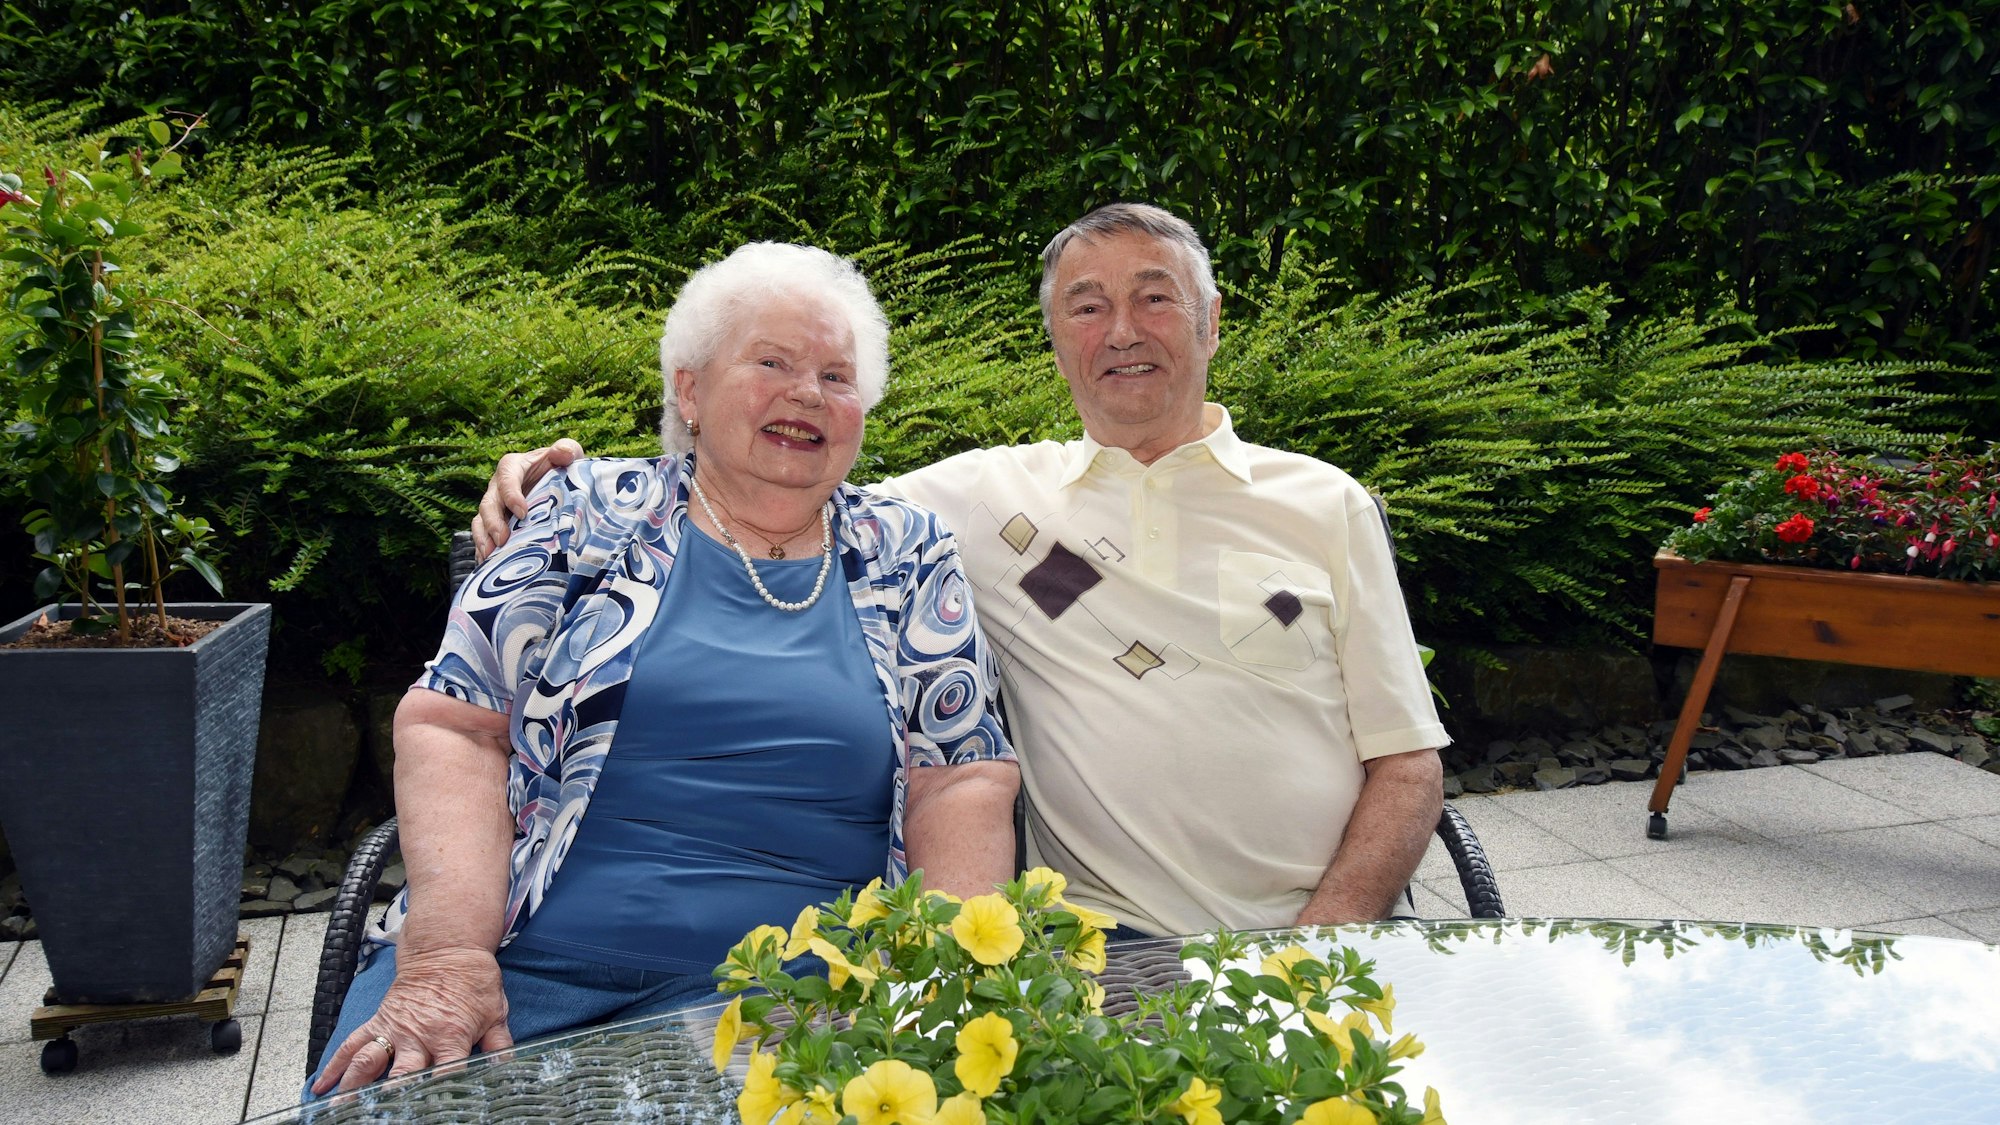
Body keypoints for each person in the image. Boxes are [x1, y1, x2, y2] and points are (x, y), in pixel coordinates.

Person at [476, 204, 1445, 941]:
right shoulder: (990, 500)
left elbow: (1407, 764)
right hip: (1108, 945)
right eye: (1087, 306)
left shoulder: (1324, 504)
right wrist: (562, 476)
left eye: (1155, 296)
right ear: (1055, 339)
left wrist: (1322, 942)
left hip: (1331, 934)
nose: (1121, 329)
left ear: (1211, 321)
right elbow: (768, 473)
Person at [310, 242, 1017, 1097]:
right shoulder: (584, 510)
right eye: (772, 362)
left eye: (837, 376)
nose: (807, 393)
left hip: (804, 992)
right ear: (689, 389)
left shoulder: (905, 550)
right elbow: (456, 722)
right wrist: (452, 954)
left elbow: (961, 774)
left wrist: (937, 989)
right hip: (527, 962)